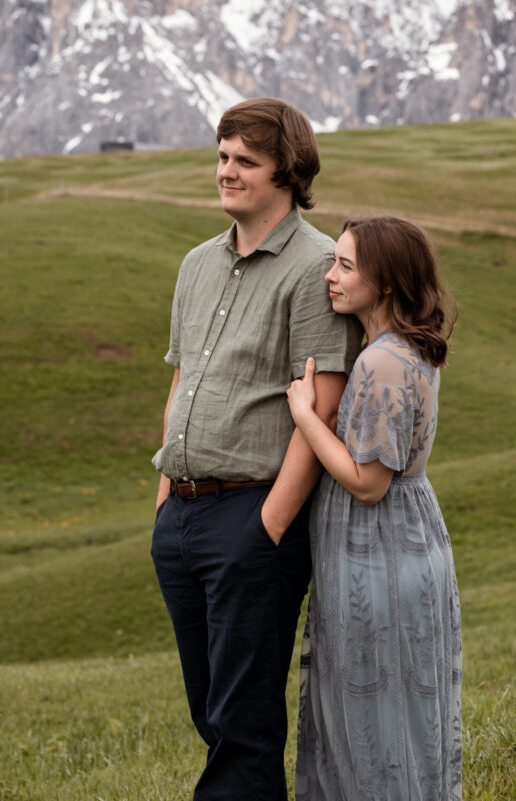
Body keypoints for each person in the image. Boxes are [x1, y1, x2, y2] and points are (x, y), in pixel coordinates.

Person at [150, 97, 362, 801]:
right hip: (180, 516)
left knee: (242, 721)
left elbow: (321, 404)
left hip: (250, 517)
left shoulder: (316, 267)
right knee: (212, 711)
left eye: (246, 160)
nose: (226, 171)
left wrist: (268, 525)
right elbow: (184, 378)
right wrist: (161, 503)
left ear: (286, 172)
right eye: (221, 156)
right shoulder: (195, 263)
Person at [287, 215, 463, 801]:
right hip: (404, 536)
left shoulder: (381, 361)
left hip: (378, 547)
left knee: (373, 717)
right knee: (397, 714)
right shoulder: (403, 349)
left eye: (345, 266)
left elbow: (368, 483)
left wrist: (307, 415)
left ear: (384, 282)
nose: (330, 276)